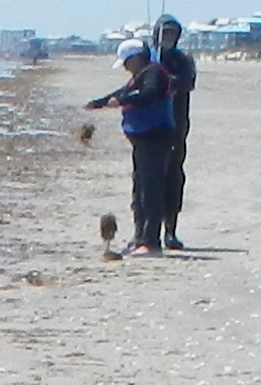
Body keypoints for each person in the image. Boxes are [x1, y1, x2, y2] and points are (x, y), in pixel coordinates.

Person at [84, 18, 196, 252]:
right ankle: (141, 234)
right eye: (164, 33)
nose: (125, 68)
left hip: (165, 133)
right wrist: (101, 102)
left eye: (172, 34)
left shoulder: (165, 68)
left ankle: (160, 236)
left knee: (161, 183)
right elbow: (127, 90)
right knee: (142, 186)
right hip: (145, 137)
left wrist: (125, 99)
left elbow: (152, 93)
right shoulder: (147, 70)